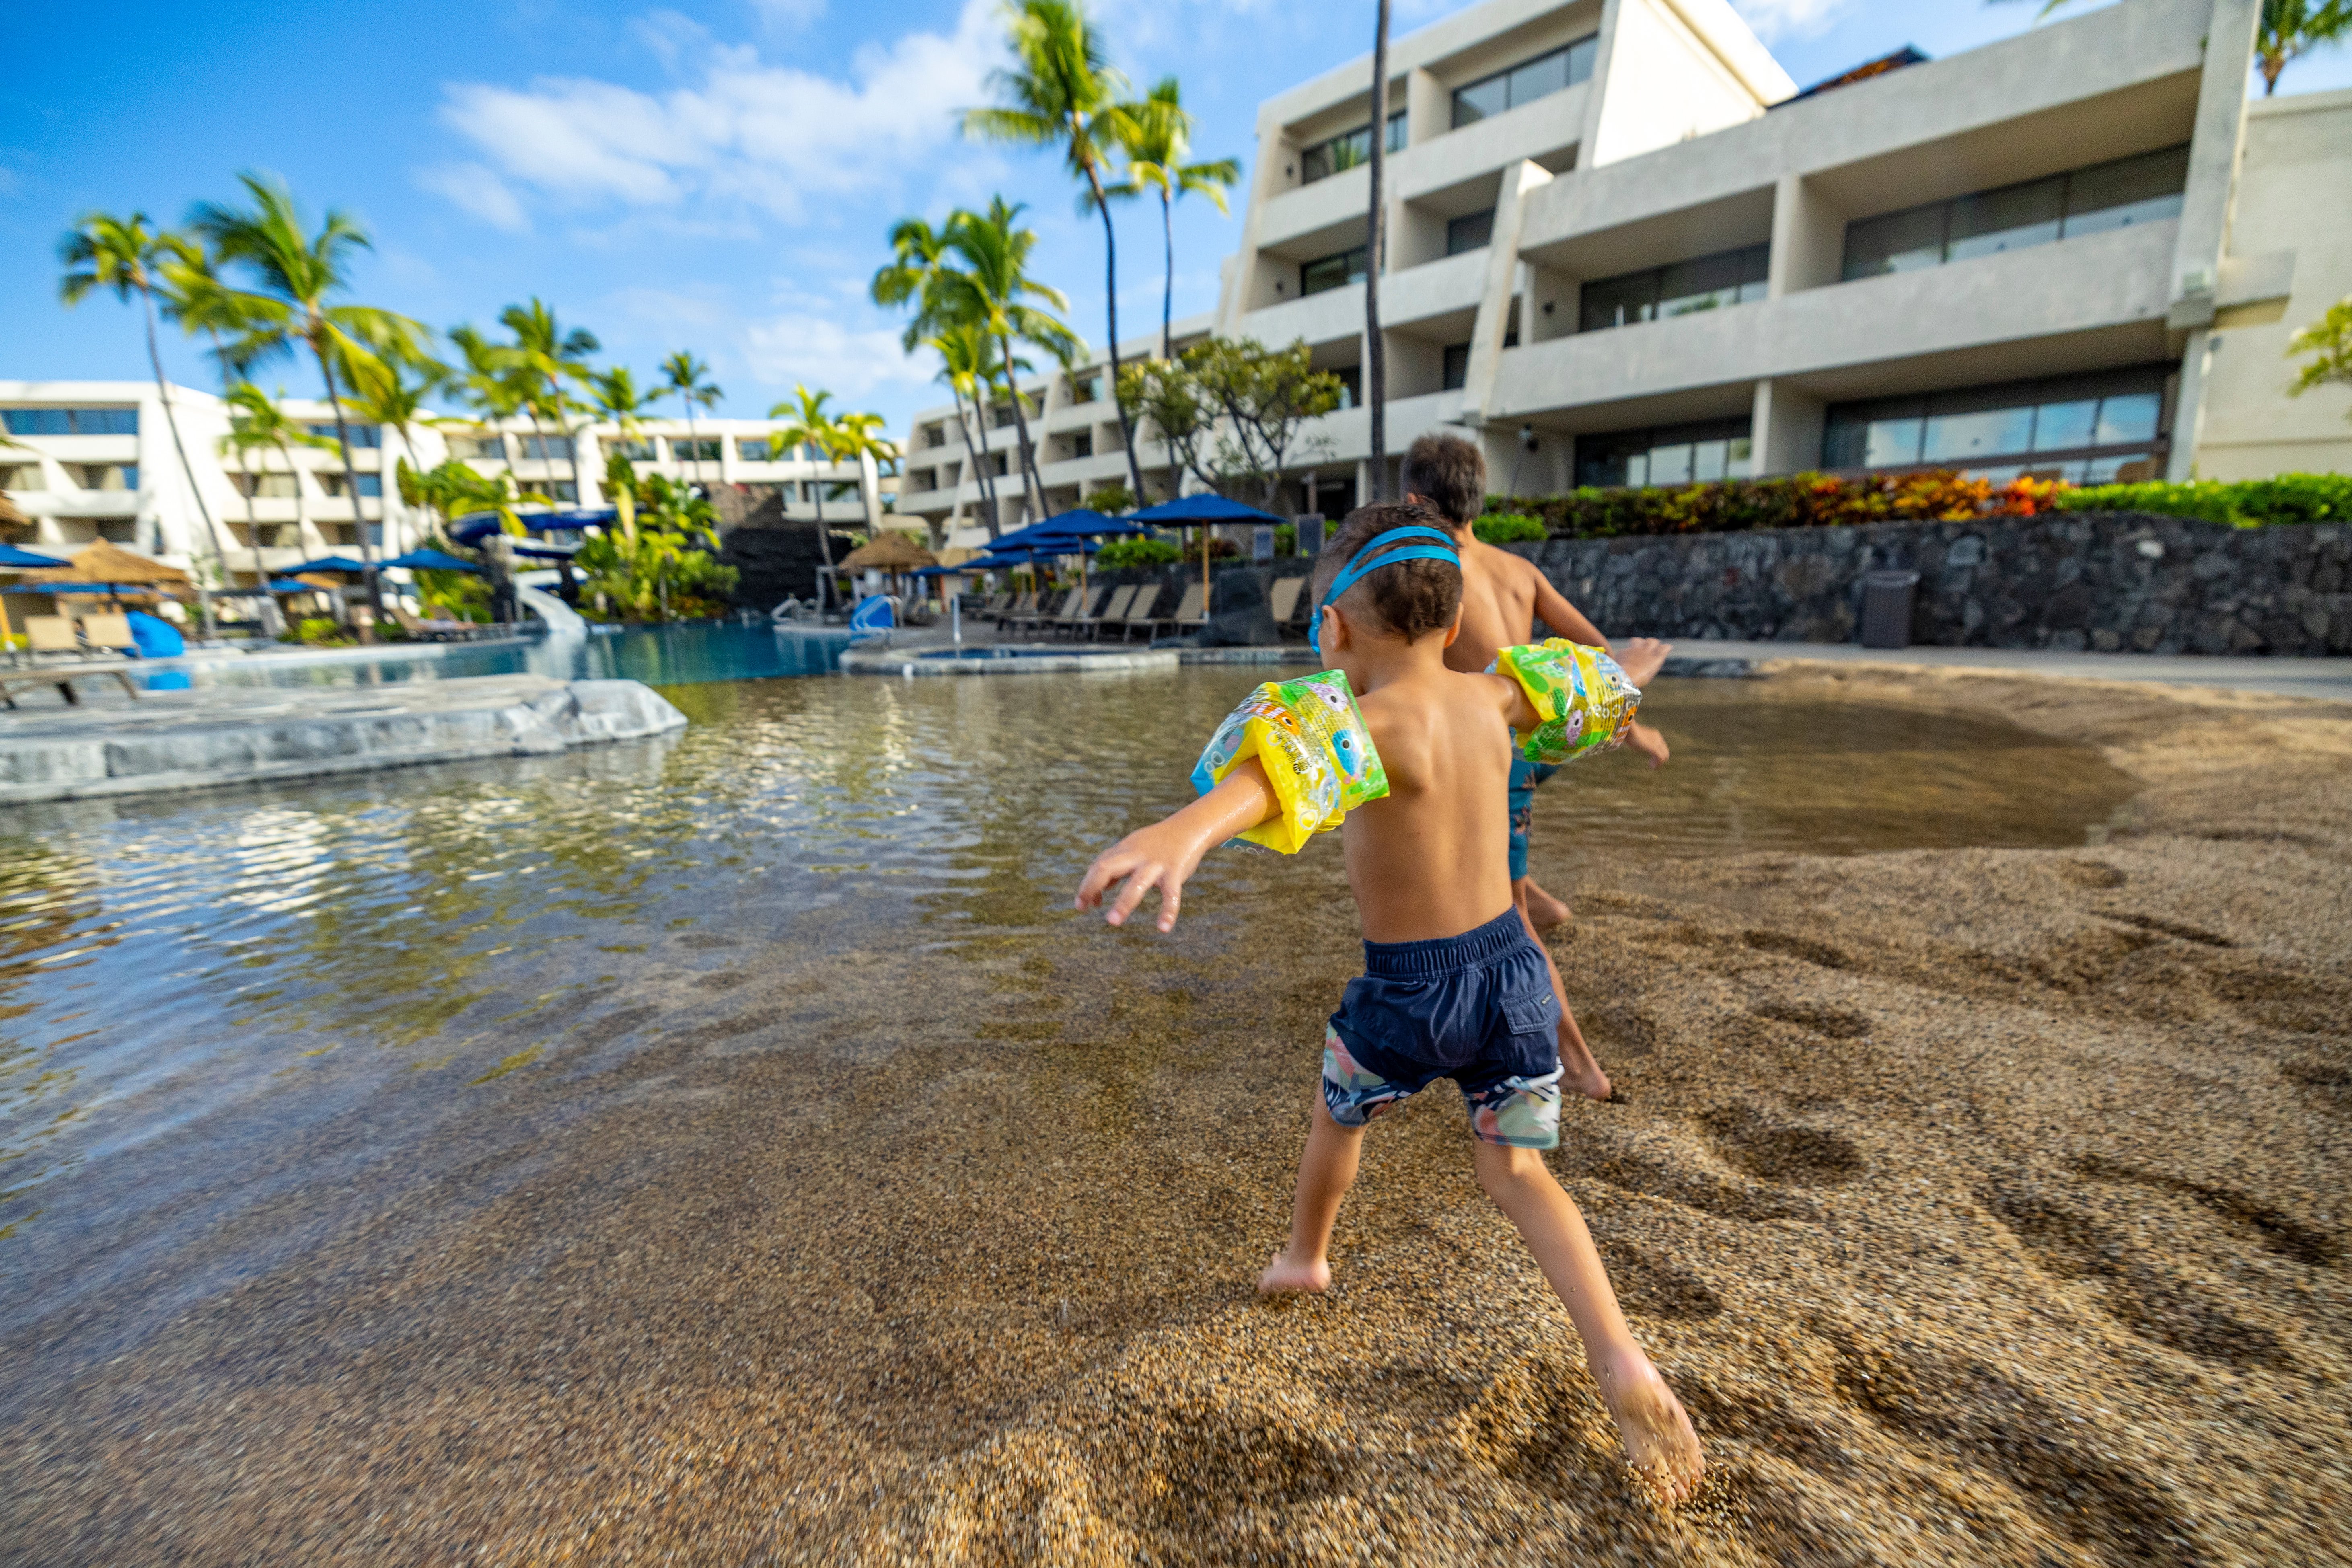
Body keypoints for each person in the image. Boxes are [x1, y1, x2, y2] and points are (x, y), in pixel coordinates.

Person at [1075, 503, 1706, 1504]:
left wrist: (1178, 836)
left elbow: (1264, 781)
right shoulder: (1498, 698)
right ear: (1454, 627)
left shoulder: (1362, 724)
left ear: (1330, 631)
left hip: (1406, 997)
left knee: (1340, 1110)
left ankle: (1304, 1258)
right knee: (1521, 1173)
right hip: (1513, 982)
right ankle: (1623, 1359)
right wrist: (1631, 673)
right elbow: (1589, 691)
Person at [1398, 433, 1669, 1103]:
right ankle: (1544, 901)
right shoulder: (1518, 570)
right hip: (1540, 745)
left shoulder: (1431, 580)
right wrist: (1628, 724)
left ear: (1412, 500)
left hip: (1494, 763)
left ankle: (1578, 1064)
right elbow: (1597, 652)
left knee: (1503, 917)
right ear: (1477, 499)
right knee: (1505, 867)